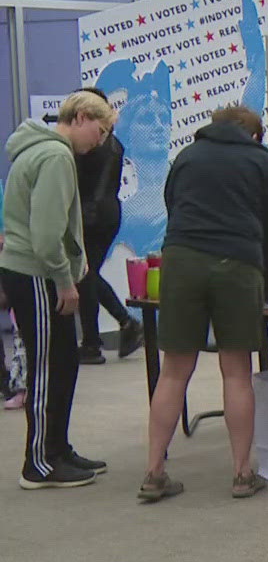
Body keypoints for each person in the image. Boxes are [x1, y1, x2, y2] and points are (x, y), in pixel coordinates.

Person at [137, 105, 268, 503]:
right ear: (253, 134)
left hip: (182, 260)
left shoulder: (187, 157)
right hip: (237, 264)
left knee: (173, 371)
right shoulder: (261, 162)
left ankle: (154, 472)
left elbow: (173, 207)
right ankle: (242, 474)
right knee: (236, 371)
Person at [1, 89, 112, 489]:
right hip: (38, 274)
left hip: (35, 272)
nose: (98, 143)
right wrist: (66, 281)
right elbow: (47, 236)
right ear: (80, 117)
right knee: (48, 365)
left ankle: (58, 448)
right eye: (98, 132)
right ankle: (39, 463)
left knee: (64, 360)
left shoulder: (41, 151)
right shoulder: (55, 157)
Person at [72, 92, 140, 364]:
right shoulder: (112, 143)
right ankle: (99, 338)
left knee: (86, 276)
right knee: (87, 276)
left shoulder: (97, 144)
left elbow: (92, 188)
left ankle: (99, 339)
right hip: (104, 214)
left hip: (94, 216)